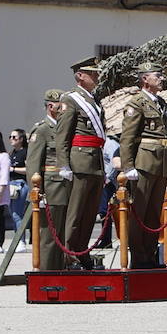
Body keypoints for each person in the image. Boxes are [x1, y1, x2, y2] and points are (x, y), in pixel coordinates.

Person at [55, 56, 107, 268]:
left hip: (95, 161)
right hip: (79, 161)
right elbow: (62, 135)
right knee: (75, 213)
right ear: (80, 76)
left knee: (89, 213)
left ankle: (83, 251)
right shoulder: (70, 100)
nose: (96, 76)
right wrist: (64, 164)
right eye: (92, 73)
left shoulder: (94, 100)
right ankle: (70, 255)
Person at [119, 62, 167, 269]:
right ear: (144, 79)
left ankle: (149, 255)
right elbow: (127, 138)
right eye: (157, 75)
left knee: (153, 212)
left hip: (160, 162)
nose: (161, 78)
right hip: (144, 162)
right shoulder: (137, 103)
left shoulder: (160, 102)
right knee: (139, 212)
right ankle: (138, 256)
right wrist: (128, 166)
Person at [26, 90, 69, 270]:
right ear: (51, 106)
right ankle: (46, 275)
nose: (65, 109)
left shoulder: (64, 127)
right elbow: (33, 165)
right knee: (48, 237)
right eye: (61, 105)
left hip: (65, 188)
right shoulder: (42, 129)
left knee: (62, 236)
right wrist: (37, 193)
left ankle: (60, 271)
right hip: (50, 190)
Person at [7, 128, 28, 232]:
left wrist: (13, 169)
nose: (11, 139)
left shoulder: (25, 152)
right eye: (10, 137)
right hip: (10, 184)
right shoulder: (11, 153)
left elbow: (28, 169)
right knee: (12, 213)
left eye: (14, 137)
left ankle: (21, 241)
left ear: (21, 139)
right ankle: (18, 239)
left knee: (17, 214)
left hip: (20, 184)